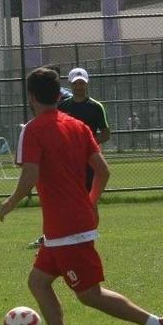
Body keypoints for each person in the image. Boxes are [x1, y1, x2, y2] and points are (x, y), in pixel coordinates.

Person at [0, 67, 163, 325]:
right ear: (59, 95)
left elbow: (30, 174)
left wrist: (10, 202)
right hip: (65, 225)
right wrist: (90, 201)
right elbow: (104, 171)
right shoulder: (78, 126)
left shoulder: (33, 129)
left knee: (90, 295)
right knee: (38, 282)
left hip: (67, 228)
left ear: (31, 97)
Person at [28, 67, 111, 248]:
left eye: (82, 83)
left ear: (86, 84)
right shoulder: (63, 107)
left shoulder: (96, 107)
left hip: (89, 162)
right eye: (75, 83)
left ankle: (89, 235)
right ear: (70, 85)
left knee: (90, 199)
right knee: (62, 198)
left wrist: (88, 144)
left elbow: (106, 133)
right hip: (68, 163)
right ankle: (52, 235)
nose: (79, 86)